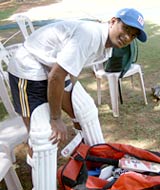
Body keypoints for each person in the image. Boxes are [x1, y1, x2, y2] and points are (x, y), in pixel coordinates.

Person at [8, 7, 147, 190]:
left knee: (86, 111)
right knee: (43, 135)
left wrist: (75, 117)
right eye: (126, 29)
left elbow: (69, 70)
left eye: (133, 35)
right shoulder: (90, 36)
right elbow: (56, 76)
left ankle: (101, 163)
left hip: (51, 65)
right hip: (28, 67)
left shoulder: (107, 46)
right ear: (113, 21)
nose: (128, 37)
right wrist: (56, 118)